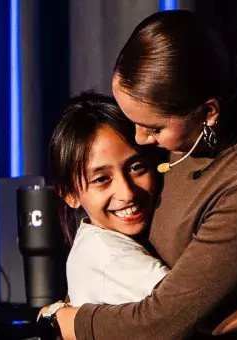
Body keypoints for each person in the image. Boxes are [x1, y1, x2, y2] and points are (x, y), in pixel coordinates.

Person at [47, 10, 237, 339]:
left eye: (153, 128)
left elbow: (173, 321)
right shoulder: (182, 140)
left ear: (208, 112)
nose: (140, 141)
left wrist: (71, 323)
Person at [48, 91, 169, 307]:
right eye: (102, 179)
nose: (127, 193)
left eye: (136, 167)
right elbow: (192, 310)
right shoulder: (111, 257)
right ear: (70, 194)